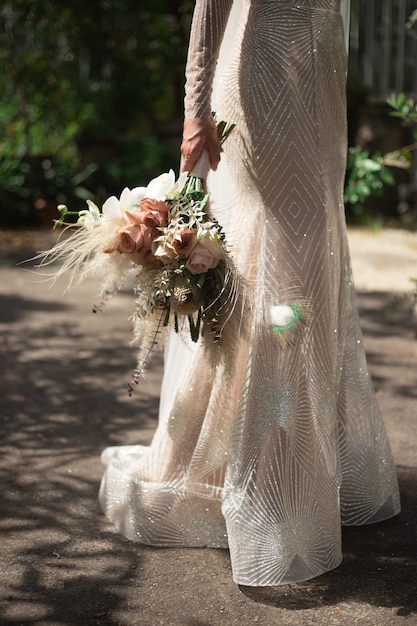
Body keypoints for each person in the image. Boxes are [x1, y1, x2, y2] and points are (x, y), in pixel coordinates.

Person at [99, 0, 400, 587]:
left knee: (314, 244)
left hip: (319, 66)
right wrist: (194, 111)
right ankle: (269, 473)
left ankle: (309, 455)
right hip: (260, 64)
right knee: (277, 246)